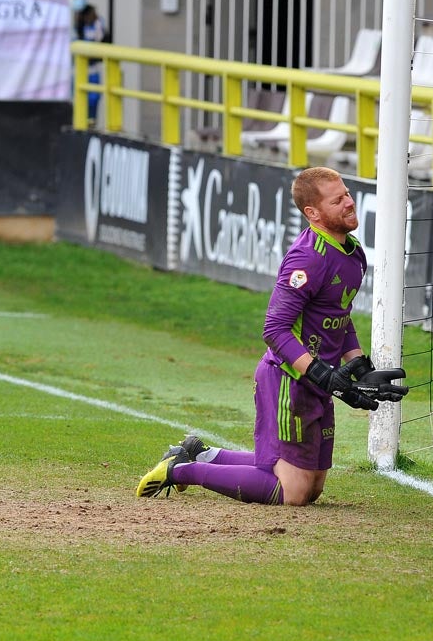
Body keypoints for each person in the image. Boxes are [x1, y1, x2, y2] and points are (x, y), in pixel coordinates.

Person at [136, 167, 408, 505]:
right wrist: (324, 375)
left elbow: (340, 314)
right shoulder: (307, 258)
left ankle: (201, 453)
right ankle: (180, 470)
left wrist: (359, 365)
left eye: (347, 194)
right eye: (337, 200)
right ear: (313, 213)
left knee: (312, 488)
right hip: (288, 379)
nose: (350, 203)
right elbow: (274, 329)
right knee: (292, 492)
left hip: (316, 382)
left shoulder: (353, 254)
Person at [63, 0, 110, 124]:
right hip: (66, 77)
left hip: (91, 75)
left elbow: (103, 43)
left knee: (89, 119)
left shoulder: (94, 19)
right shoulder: (59, 18)